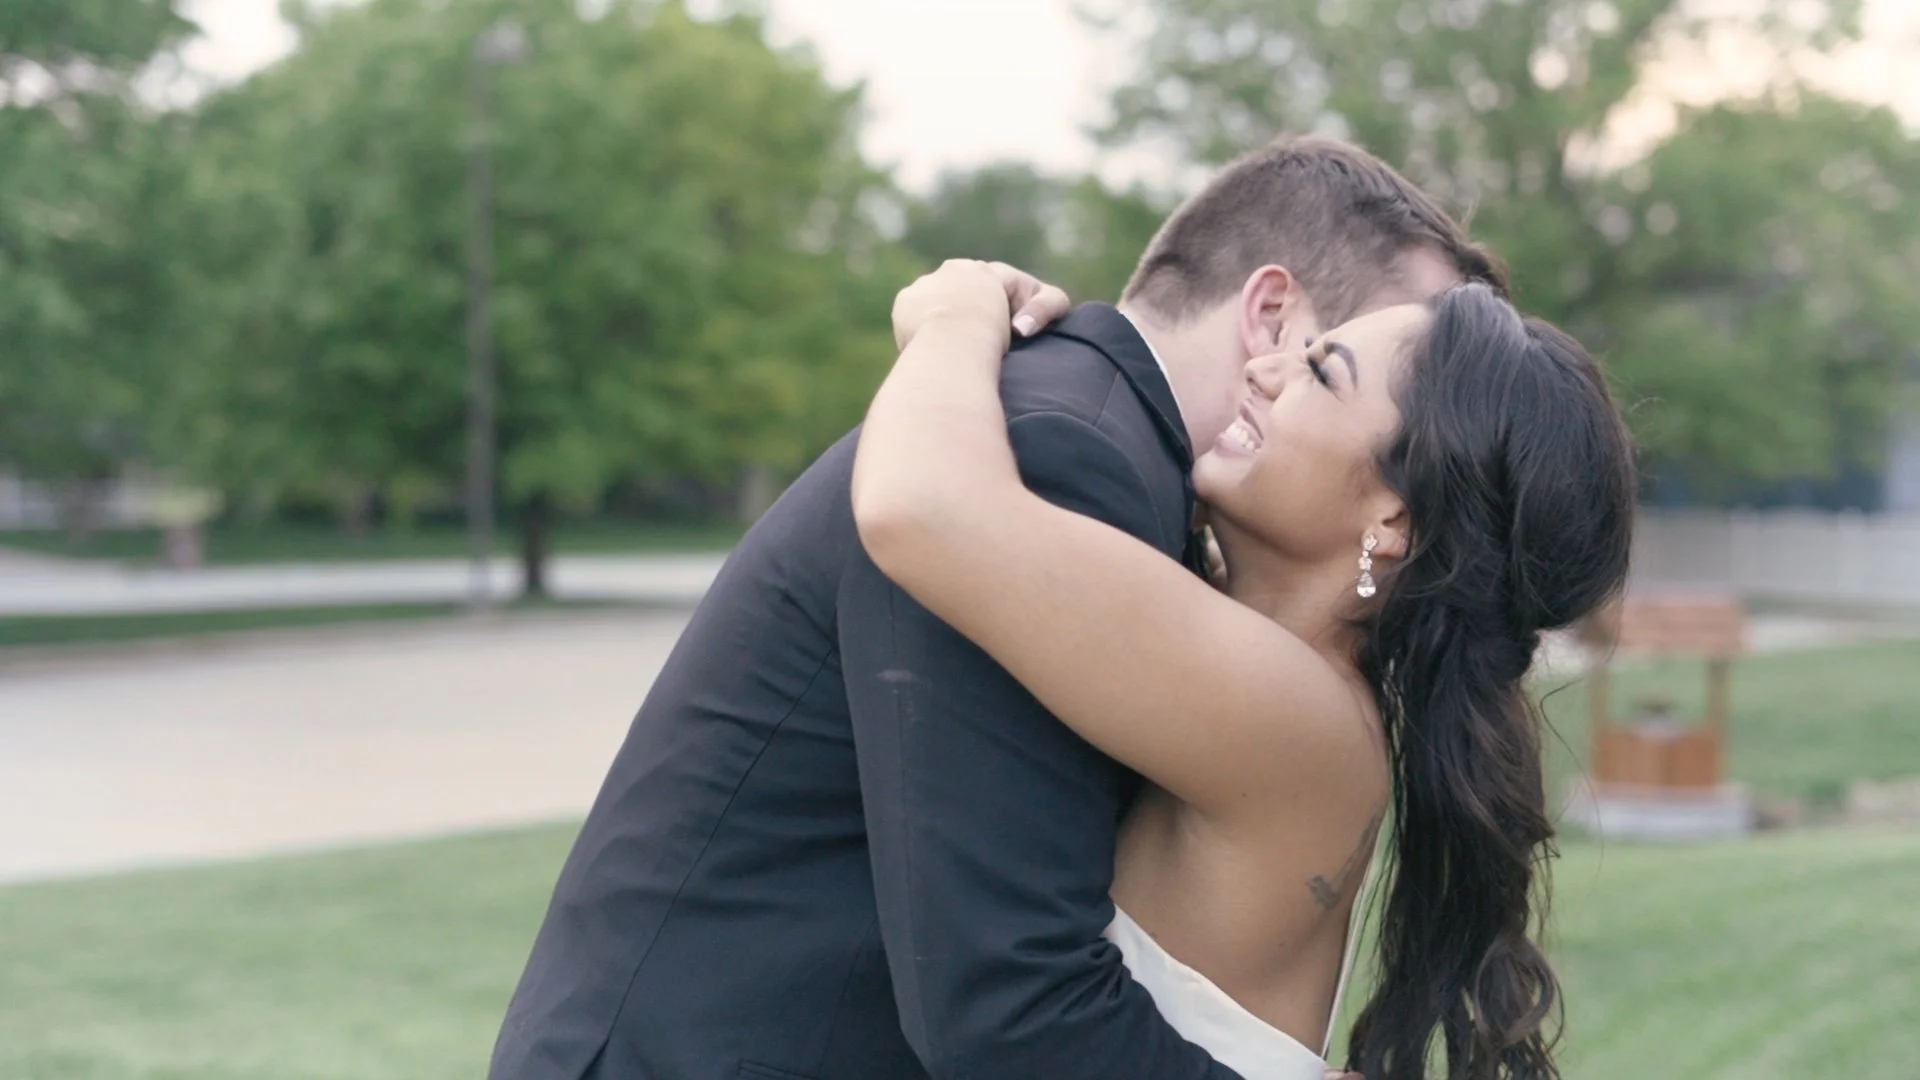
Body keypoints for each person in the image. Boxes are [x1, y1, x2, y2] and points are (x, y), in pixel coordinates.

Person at [489, 137, 1499, 1080]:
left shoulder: (1078, 455)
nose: (1289, 378)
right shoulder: (1057, 455)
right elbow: (1009, 997)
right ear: (1271, 315)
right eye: (1337, 350)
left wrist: (948, 319)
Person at [851, 260, 1636, 1080]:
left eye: (1319, 372)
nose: (1262, 368)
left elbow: (919, 507)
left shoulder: (1296, 713)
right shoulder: (1304, 692)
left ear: (1393, 518)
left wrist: (952, 316)